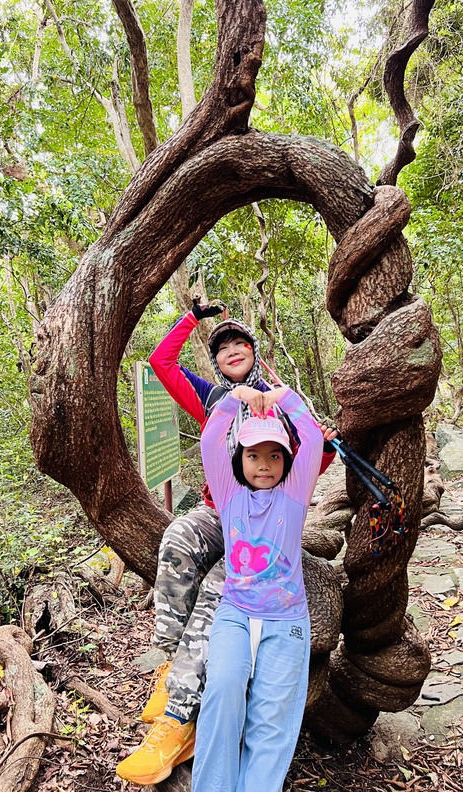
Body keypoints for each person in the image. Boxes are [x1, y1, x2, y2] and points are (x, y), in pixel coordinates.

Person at [116, 302, 336, 785]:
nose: (232, 350)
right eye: (223, 348)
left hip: (268, 530)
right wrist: (192, 318)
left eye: (241, 343)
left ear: (255, 353)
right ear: (215, 360)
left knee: (219, 589)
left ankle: (180, 712)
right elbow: (162, 363)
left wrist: (317, 439)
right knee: (176, 538)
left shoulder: (281, 404)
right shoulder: (213, 396)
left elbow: (307, 469)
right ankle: (172, 664)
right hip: (222, 510)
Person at [192, 383, 323, 792]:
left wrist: (284, 396)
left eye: (274, 455)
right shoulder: (229, 494)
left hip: (286, 621)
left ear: (286, 460)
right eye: (253, 455)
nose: (264, 465)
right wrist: (238, 397)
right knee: (222, 692)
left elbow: (313, 437)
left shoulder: (295, 494)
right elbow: (211, 440)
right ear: (240, 459)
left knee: (272, 720)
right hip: (235, 613)